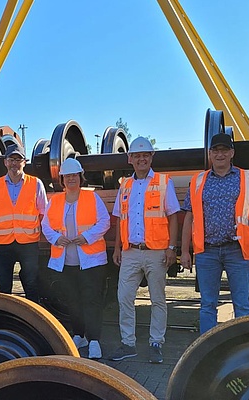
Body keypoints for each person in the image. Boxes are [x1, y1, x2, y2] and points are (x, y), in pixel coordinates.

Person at [180, 133, 249, 334]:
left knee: (242, 305)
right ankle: (207, 350)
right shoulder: (198, 181)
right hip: (207, 252)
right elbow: (188, 218)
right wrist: (185, 251)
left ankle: (243, 349)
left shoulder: (247, 179)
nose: (220, 154)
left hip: (237, 251)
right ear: (210, 154)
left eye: (224, 150)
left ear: (232, 153)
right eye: (216, 150)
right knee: (207, 305)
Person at [110, 137, 180, 364]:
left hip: (157, 252)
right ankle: (127, 343)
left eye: (146, 155)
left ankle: (156, 342)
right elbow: (121, 219)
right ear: (130, 159)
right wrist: (118, 248)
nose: (142, 159)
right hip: (131, 252)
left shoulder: (163, 182)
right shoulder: (125, 185)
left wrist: (172, 248)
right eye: (137, 155)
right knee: (124, 298)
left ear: (151, 158)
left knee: (158, 299)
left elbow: (173, 217)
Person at [41, 158, 110, 359]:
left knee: (92, 301)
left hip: (91, 261)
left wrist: (87, 237)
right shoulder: (55, 201)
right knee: (73, 301)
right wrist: (56, 238)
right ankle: (79, 335)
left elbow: (104, 222)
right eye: (67, 176)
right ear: (62, 179)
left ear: (80, 177)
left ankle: (95, 340)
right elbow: (46, 225)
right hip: (66, 261)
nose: (71, 179)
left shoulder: (91, 198)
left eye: (74, 175)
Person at [0, 143, 47, 303]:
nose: (14, 163)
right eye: (11, 159)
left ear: (24, 162)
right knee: (4, 287)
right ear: (5, 162)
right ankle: (6, 321)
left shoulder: (36, 183)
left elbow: (43, 213)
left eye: (18, 159)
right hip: (4, 244)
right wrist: (4, 229)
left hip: (28, 243)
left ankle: (35, 320)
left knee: (31, 284)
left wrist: (28, 230)